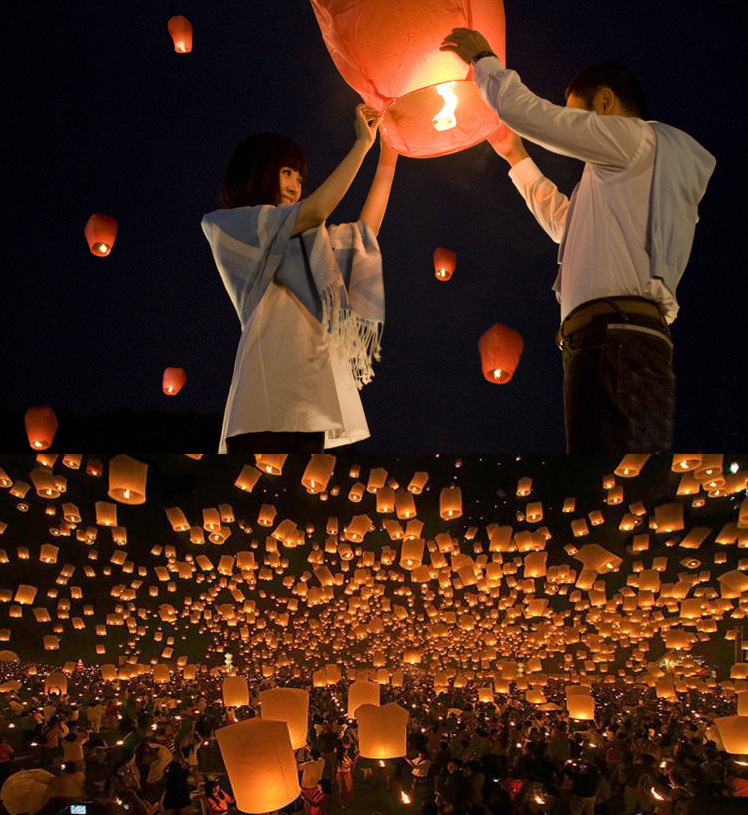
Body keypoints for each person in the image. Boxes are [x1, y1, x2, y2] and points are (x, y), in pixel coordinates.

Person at [440, 29, 715, 453]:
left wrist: (483, 61)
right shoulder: (629, 174)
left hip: (616, 340)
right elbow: (568, 225)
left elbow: (535, 115)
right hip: (614, 342)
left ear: (605, 103)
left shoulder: (637, 142)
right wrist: (515, 156)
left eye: (578, 116)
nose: (576, 130)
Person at [202, 104, 398, 453]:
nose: (296, 184)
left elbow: (365, 232)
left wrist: (390, 153)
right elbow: (316, 210)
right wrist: (362, 145)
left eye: (300, 178)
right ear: (258, 171)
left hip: (312, 401)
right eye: (287, 172)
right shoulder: (231, 225)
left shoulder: (310, 242)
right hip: (263, 402)